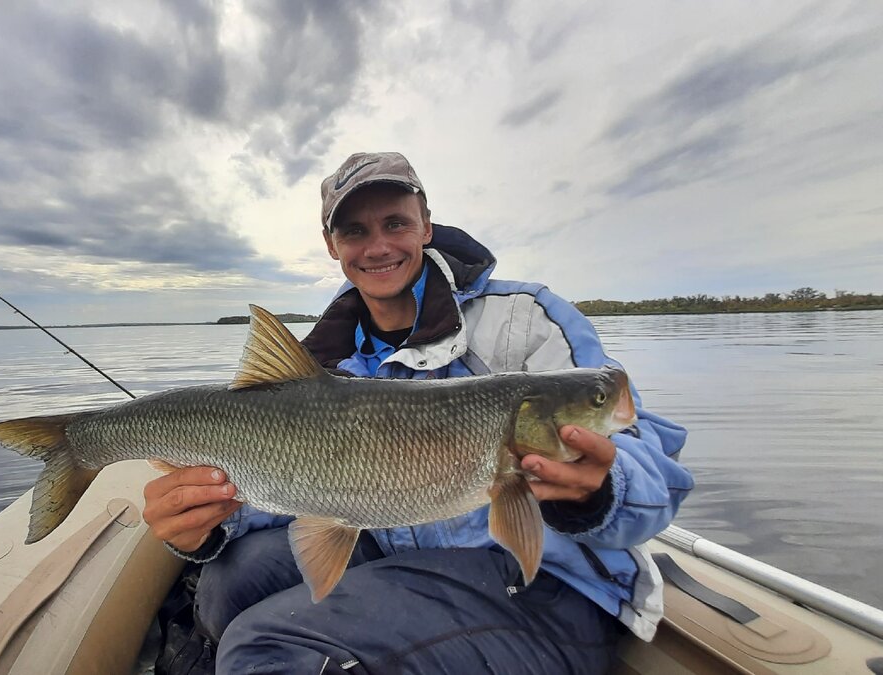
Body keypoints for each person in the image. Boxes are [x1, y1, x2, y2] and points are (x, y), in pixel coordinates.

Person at [143, 152, 693, 674]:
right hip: (401, 558)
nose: (378, 245)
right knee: (225, 588)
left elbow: (653, 465)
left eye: (395, 223)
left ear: (426, 226)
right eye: (354, 230)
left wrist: (599, 490)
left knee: (262, 648)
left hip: (546, 587)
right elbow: (299, 484)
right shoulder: (330, 365)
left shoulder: (526, 319)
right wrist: (204, 523)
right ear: (332, 245)